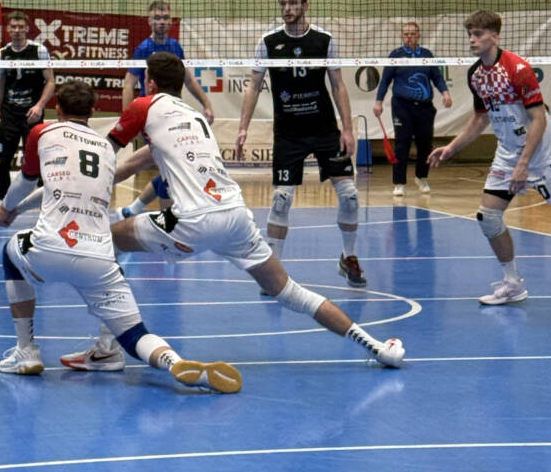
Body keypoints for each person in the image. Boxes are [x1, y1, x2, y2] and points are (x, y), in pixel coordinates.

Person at [61, 53, 404, 373]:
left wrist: (69, 186)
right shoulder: (194, 117)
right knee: (289, 291)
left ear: (149, 82)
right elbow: (134, 164)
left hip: (190, 221)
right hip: (236, 216)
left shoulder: (143, 105)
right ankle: (377, 347)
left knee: (106, 241)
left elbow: (103, 155)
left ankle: (107, 347)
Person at [0, 79, 243, 393]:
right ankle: (173, 361)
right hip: (100, 257)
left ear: (57, 108)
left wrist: (6, 208)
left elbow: (27, 181)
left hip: (50, 246)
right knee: (135, 334)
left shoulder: (41, 133)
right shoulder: (105, 150)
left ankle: (26, 351)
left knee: (10, 254)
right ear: (92, 110)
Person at [234, 0, 367, 287]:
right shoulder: (268, 42)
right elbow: (253, 86)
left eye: (293, 3)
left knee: (349, 196)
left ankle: (349, 257)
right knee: (281, 199)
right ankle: (274, 272)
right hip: (288, 132)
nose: (287, 9)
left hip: (324, 130)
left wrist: (347, 129)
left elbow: (338, 85)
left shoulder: (324, 40)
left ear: (306, 6)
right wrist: (243, 128)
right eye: (283, 3)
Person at [428, 10, 551, 305]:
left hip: (542, 152)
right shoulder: (476, 75)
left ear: (495, 36)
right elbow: (480, 119)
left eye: (478, 34)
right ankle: (513, 284)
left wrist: (524, 164)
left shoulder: (517, 69)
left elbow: (539, 118)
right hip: (508, 152)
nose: (472, 39)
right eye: (470, 34)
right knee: (488, 217)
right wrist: (451, 148)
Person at [0, 11, 54, 230]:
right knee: (3, 161)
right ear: (8, 29)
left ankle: (47, 209)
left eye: (20, 27)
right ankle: (1, 207)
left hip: (32, 116)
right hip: (10, 116)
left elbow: (51, 82)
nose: (16, 30)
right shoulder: (2, 54)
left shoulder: (38, 51)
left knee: (40, 162)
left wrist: (39, 105)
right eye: (13, 27)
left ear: (27, 29)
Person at [374, 21, 452, 197]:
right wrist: (378, 102)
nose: (409, 37)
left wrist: (445, 93)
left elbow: (437, 77)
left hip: (424, 108)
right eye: (406, 34)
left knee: (425, 144)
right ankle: (399, 183)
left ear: (419, 35)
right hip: (402, 107)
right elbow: (385, 81)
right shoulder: (395, 55)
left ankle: (421, 177)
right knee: (402, 144)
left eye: (413, 34)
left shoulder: (427, 55)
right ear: (402, 36)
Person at [122, 0, 214, 122]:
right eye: (157, 18)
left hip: (173, 111)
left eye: (165, 18)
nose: (161, 22)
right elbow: (128, 85)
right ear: (150, 21)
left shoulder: (175, 46)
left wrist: (207, 105)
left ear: (170, 21)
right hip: (149, 112)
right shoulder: (143, 49)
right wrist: (127, 118)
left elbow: (189, 80)